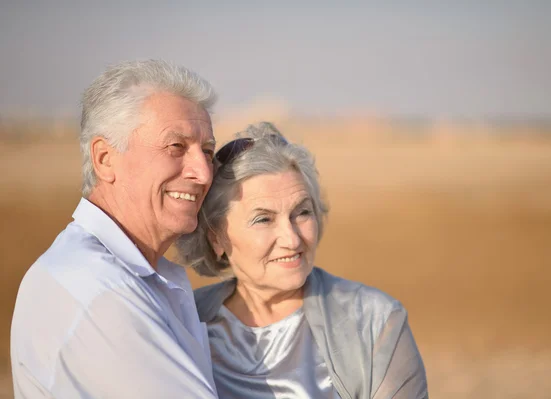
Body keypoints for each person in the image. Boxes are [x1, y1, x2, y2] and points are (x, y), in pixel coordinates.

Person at [11, 60, 219, 398]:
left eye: (208, 152)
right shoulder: (101, 292)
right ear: (105, 159)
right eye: (176, 147)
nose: (204, 173)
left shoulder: (122, 273)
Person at [177, 122, 429, 398]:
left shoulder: (374, 322)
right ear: (217, 239)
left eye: (302, 213)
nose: (292, 239)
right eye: (264, 219)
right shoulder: (182, 322)